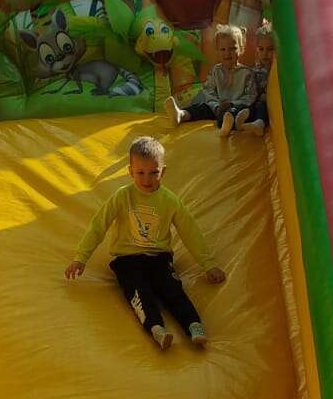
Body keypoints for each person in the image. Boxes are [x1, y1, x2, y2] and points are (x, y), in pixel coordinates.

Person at [64, 134, 226, 350]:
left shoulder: (169, 201)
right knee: (139, 292)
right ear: (130, 171)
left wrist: (208, 264)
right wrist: (81, 257)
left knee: (173, 289)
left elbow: (190, 231)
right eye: (140, 173)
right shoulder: (122, 196)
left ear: (163, 171)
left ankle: (193, 326)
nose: (147, 180)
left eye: (153, 173)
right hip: (126, 259)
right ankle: (156, 328)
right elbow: (98, 225)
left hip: (159, 257)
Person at [166, 23, 263, 137]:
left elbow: (250, 96)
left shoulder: (246, 73)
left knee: (240, 111)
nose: (227, 53)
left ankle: (227, 125)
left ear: (241, 49)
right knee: (201, 107)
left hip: (235, 107)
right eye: (223, 49)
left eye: (232, 49)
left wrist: (232, 103)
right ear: (217, 51)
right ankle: (182, 115)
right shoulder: (216, 71)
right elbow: (208, 91)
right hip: (216, 108)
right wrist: (216, 106)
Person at [247, 20, 275, 132]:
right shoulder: (256, 72)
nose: (265, 53)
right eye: (261, 49)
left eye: (270, 49)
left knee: (261, 106)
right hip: (257, 106)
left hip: (271, 108)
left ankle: (259, 123)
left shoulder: (278, 71)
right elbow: (251, 93)